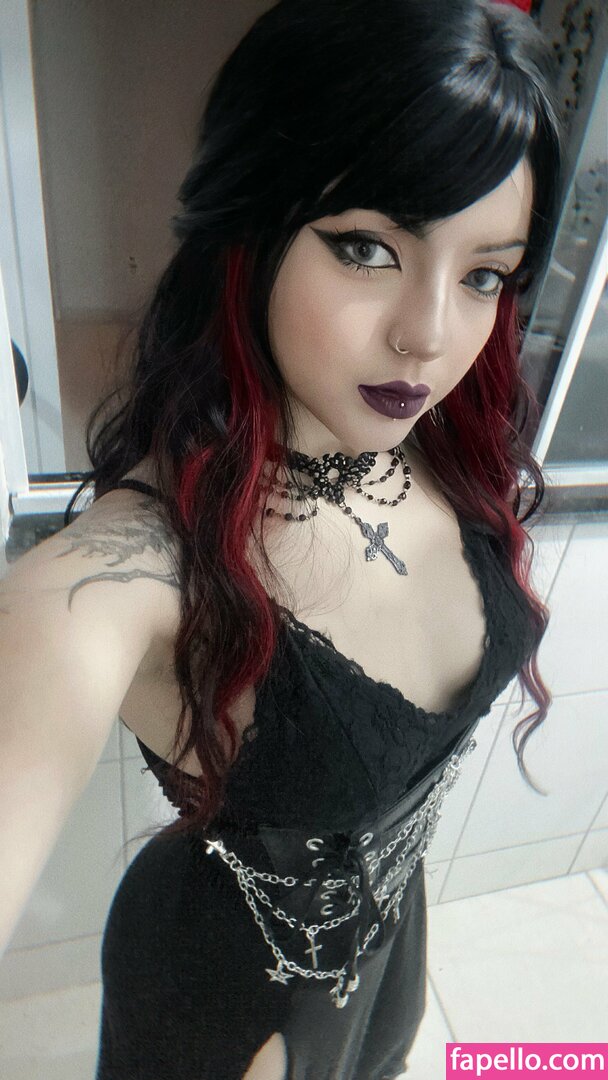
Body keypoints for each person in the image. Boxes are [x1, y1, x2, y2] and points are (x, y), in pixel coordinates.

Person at [0, 0, 564, 1076]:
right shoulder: (117, 583)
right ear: (250, 226)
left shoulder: (440, 450)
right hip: (219, 1005)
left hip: (389, 955)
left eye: (482, 274)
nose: (428, 334)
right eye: (367, 248)